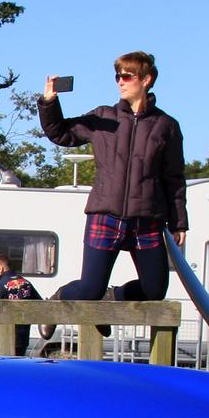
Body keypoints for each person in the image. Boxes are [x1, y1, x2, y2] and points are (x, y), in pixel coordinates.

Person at [40, 52, 187, 311]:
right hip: (105, 214)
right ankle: (61, 296)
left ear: (146, 79)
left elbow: (173, 179)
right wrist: (49, 101)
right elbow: (60, 133)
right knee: (90, 290)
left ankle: (114, 296)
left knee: (155, 291)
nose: (120, 81)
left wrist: (178, 223)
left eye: (127, 76)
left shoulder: (166, 126)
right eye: (117, 76)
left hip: (147, 218)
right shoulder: (103, 117)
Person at [0, 253, 41, 356]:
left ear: (0, 268)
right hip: (22, 339)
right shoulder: (26, 284)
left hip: (1, 339)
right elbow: (41, 306)